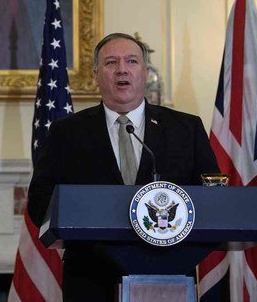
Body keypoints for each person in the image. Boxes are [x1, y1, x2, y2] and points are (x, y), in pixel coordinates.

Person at [27, 32, 220, 302]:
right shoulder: (66, 132)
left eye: (131, 61)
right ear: (96, 75)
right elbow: (39, 199)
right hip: (90, 277)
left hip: (168, 272)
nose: (122, 70)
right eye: (110, 63)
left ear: (144, 72)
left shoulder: (186, 129)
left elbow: (210, 197)